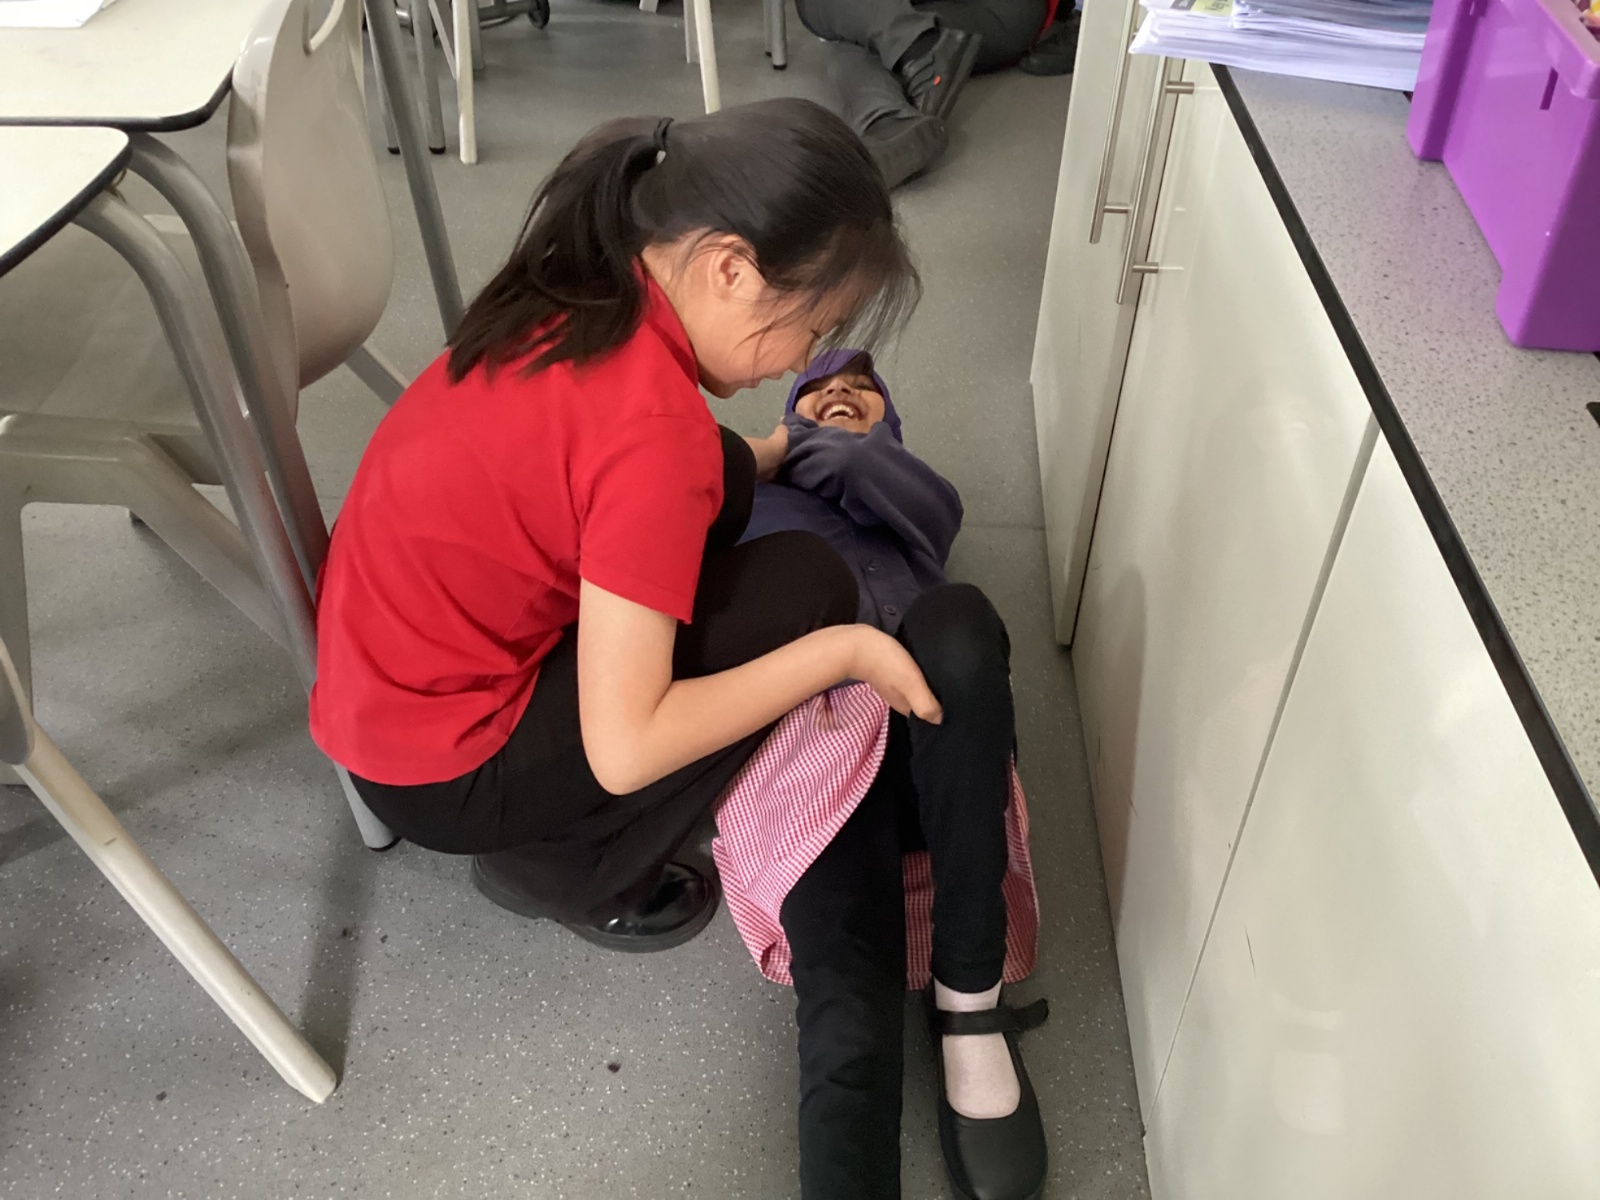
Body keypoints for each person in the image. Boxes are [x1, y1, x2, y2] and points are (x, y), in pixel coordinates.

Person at [308, 98, 941, 953]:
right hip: (445, 770)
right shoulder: (652, 437)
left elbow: (639, 455)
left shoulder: (588, 282)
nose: (803, 358)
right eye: (813, 327)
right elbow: (628, 749)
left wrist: (774, 451)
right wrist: (847, 654)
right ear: (731, 270)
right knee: (807, 586)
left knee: (721, 477)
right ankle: (570, 865)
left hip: (375, 686)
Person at [739, 351, 1051, 1200]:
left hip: (933, 744)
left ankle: (969, 998)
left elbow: (864, 469)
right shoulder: (746, 502)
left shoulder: (912, 492)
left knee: (956, 615)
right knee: (847, 1024)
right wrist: (763, 461)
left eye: (861, 389)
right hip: (810, 758)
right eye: (814, 391)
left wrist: (787, 438)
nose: (839, 393)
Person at [796, 0, 1053, 188]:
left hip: (997, 11)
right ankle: (897, 109)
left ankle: (912, 61)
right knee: (857, 24)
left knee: (854, 30)